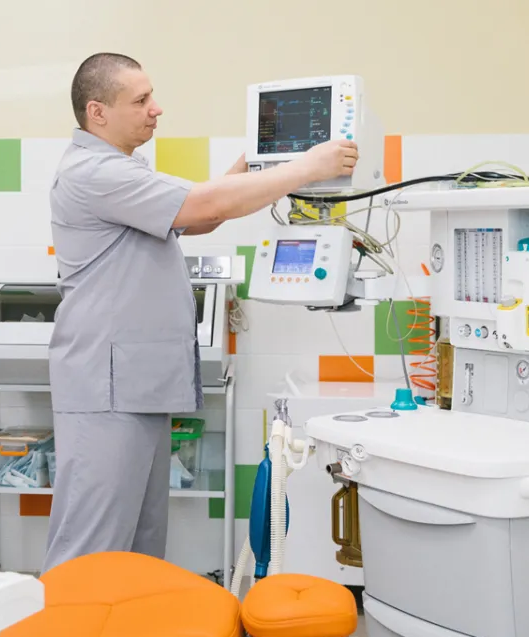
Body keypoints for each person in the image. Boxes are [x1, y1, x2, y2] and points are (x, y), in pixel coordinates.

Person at [43, 52, 359, 572]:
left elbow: (198, 219)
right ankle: (65, 626)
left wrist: (259, 161)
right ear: (97, 112)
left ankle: (132, 626)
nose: (156, 108)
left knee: (140, 543)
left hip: (135, 383)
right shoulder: (93, 173)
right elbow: (206, 205)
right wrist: (308, 166)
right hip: (106, 386)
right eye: (141, 100)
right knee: (91, 548)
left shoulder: (124, 170)